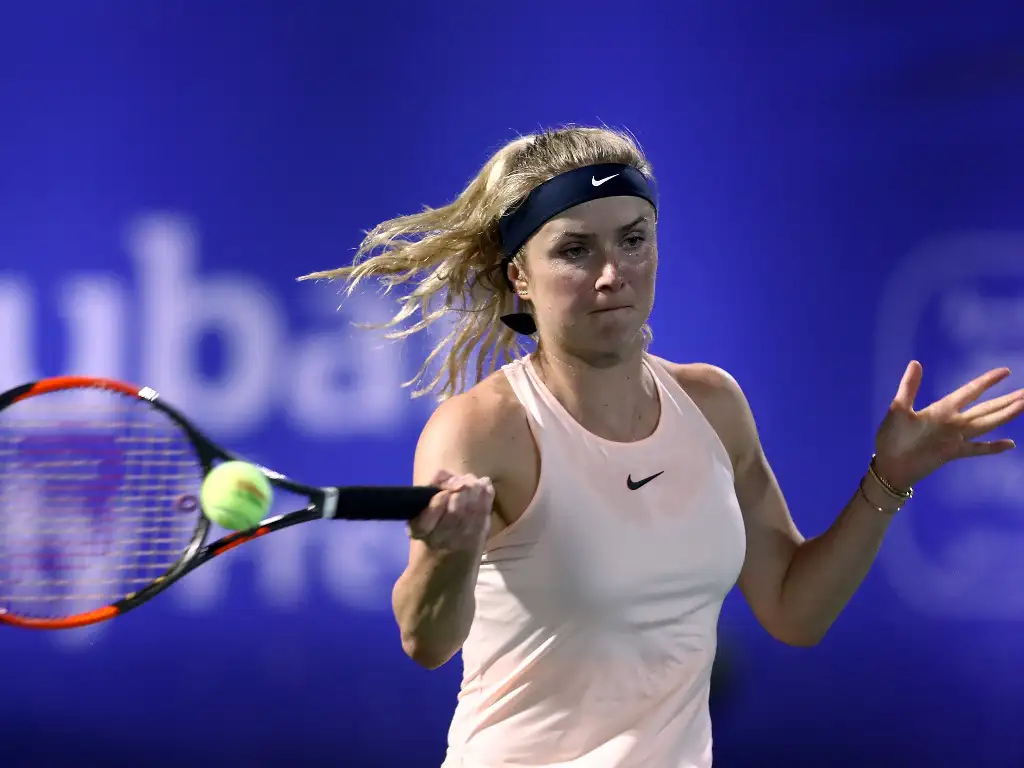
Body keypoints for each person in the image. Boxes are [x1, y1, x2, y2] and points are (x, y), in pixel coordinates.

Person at [300, 126, 1023, 767]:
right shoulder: (480, 430)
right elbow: (426, 642)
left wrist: (888, 478)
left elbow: (793, 610)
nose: (612, 273)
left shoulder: (713, 404)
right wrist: (447, 555)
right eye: (575, 250)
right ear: (519, 274)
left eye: (633, 239)